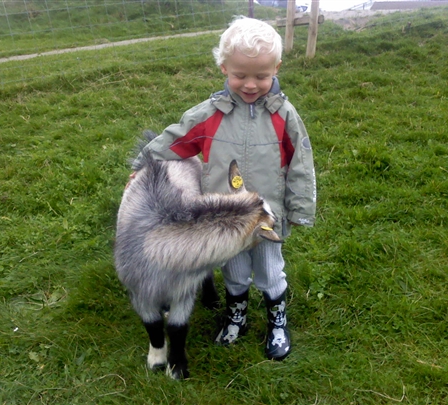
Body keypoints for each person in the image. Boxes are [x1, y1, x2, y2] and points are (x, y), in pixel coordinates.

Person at [132, 16, 316, 360]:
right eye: (240, 75)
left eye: (262, 76)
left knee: (269, 271)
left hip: (266, 218)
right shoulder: (210, 114)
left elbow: (301, 164)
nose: (251, 84)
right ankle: (236, 315)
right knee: (234, 270)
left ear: (276, 68)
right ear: (223, 68)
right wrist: (143, 162)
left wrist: (300, 209)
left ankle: (277, 320)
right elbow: (176, 139)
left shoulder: (284, 115)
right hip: (224, 220)